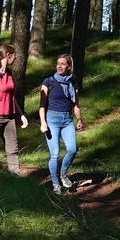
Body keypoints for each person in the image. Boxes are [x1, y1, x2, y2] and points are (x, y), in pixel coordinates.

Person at [40, 54, 83, 194]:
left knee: (72, 149)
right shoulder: (48, 82)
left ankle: (63, 174)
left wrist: (79, 120)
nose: (59, 66)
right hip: (52, 119)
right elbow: (42, 105)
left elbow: (76, 105)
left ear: (69, 66)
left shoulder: (72, 84)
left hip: (67, 120)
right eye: (58, 63)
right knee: (55, 154)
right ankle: (55, 184)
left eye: (63, 64)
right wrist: (43, 122)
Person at [0, 44, 28, 174]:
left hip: (9, 117)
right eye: (14, 56)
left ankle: (15, 174)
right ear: (8, 56)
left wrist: (21, 114)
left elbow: (11, 97)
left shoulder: (9, 73)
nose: (15, 59)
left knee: (13, 148)